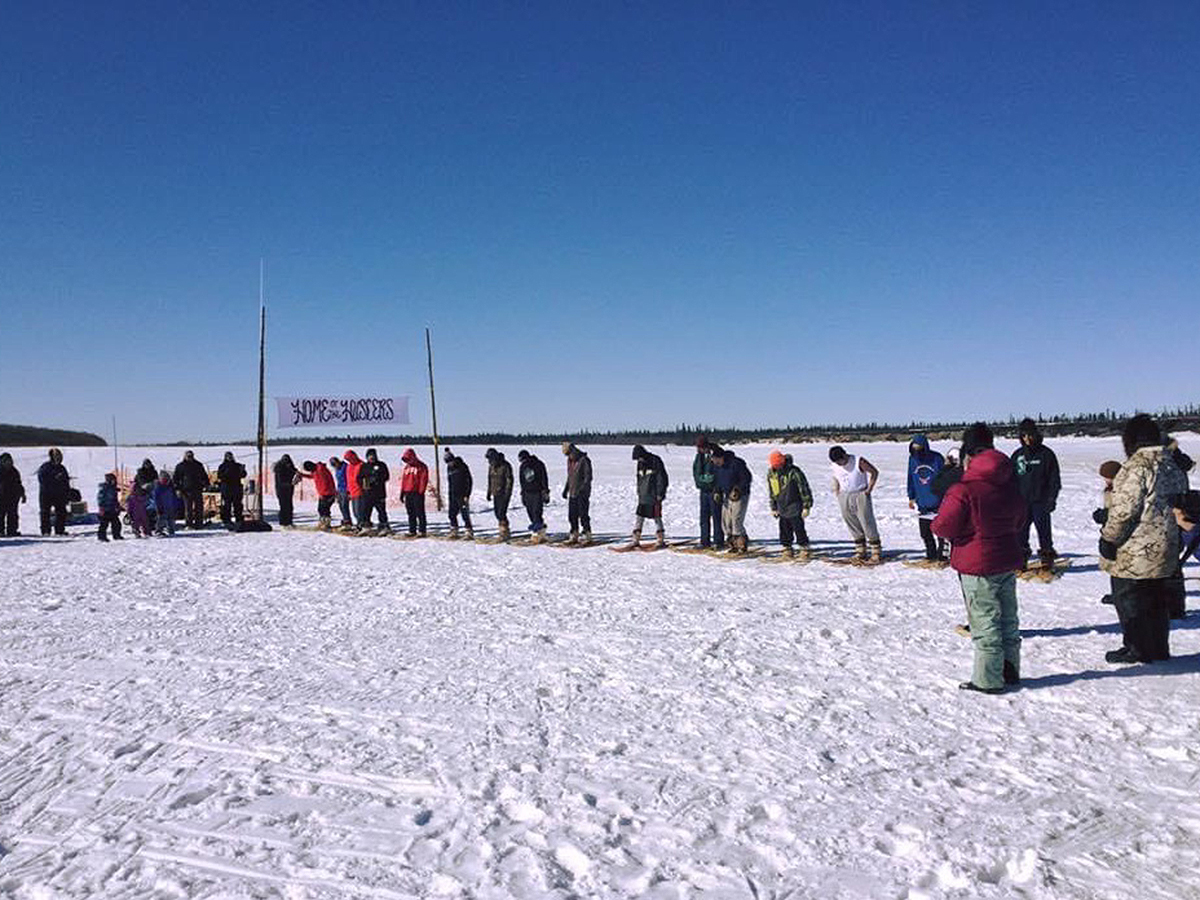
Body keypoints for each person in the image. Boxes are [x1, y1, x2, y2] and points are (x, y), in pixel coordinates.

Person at [931, 423, 1027, 694]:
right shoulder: (1009, 487)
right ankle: (1010, 671)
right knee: (1008, 620)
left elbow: (943, 526)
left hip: (977, 566)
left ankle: (988, 680)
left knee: (985, 623)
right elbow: (1020, 519)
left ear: (968, 459)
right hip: (1006, 561)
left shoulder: (964, 490)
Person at [1099, 414, 1188, 664]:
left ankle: (1137, 648)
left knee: (1129, 597)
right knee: (1157, 600)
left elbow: (1125, 510)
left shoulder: (1137, 466)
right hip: (1168, 546)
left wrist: (1109, 539)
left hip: (1137, 551)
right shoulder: (1172, 463)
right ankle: (1158, 648)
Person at [1011, 418, 1062, 570]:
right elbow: (1010, 479)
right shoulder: (1017, 455)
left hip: (1041, 501)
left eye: (1030, 435)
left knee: (1044, 533)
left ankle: (1046, 557)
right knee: (1020, 533)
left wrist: (1052, 498)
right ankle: (1021, 558)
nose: (1027, 439)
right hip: (1022, 503)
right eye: (1024, 435)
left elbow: (1054, 479)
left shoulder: (1046, 454)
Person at [828, 445, 881, 562]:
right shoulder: (835, 465)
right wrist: (836, 490)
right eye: (837, 462)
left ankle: (875, 550)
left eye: (840, 461)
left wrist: (869, 489)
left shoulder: (858, 461)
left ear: (844, 455)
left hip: (860, 493)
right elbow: (836, 477)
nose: (839, 464)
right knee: (851, 521)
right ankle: (860, 549)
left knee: (866, 521)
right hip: (844, 494)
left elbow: (874, 472)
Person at [767, 450, 813, 558]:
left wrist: (806, 506)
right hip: (781, 505)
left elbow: (804, 488)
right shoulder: (772, 473)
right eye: (774, 465)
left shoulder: (794, 472)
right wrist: (773, 507)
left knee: (798, 527)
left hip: (795, 504)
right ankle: (787, 547)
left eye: (778, 465)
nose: (776, 467)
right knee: (784, 528)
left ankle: (804, 547)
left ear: (782, 463)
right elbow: (772, 491)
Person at [710, 446, 752, 554]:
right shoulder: (717, 467)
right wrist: (717, 492)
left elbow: (747, 478)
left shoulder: (736, 463)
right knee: (726, 522)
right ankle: (733, 544)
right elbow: (717, 481)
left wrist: (738, 489)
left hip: (740, 495)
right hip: (727, 496)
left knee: (736, 520)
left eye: (715, 460)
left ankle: (741, 544)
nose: (714, 462)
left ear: (721, 457)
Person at [1093, 460, 1122, 607]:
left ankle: (1119, 595)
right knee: (1113, 566)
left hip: (1116, 533)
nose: (1104, 480)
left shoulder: (1120, 489)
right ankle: (1118, 593)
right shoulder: (1111, 488)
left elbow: (1120, 511)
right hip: (1110, 529)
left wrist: (1104, 515)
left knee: (1117, 566)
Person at [629, 445, 669, 548]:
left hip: (654, 495)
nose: (639, 460)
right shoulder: (640, 463)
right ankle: (635, 539)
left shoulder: (655, 461)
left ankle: (660, 539)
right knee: (639, 517)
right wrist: (639, 491)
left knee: (657, 517)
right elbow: (639, 478)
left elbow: (662, 478)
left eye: (639, 458)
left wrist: (660, 493)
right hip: (643, 495)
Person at [693, 437, 724, 549]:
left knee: (716, 517)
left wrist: (712, 482)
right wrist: (702, 480)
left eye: (701, 447)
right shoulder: (699, 457)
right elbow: (696, 473)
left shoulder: (717, 454)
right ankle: (704, 540)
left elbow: (719, 473)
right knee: (704, 517)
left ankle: (718, 541)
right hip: (703, 491)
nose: (699, 450)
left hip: (715, 491)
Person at [562, 443, 593, 543]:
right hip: (572, 492)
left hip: (582, 493)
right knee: (572, 515)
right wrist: (566, 489)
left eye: (569, 453)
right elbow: (570, 476)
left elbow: (588, 477)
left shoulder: (584, 460)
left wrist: (583, 489)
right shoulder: (570, 461)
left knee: (583, 514)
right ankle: (574, 533)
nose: (568, 456)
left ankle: (587, 533)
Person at [37, 448, 71, 536]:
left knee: (61, 512)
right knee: (45, 513)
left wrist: (67, 493)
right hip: (46, 494)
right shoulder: (45, 467)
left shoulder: (62, 468)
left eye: (60, 456)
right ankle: (45, 531)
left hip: (59, 494)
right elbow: (42, 479)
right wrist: (55, 479)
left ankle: (60, 530)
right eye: (56, 456)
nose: (59, 458)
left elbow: (66, 482)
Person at [172, 450, 210, 529]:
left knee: (199, 507)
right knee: (188, 508)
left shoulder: (198, 465)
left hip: (197, 489)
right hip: (186, 490)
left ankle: (199, 523)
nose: (190, 457)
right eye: (188, 456)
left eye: (191, 456)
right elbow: (175, 478)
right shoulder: (180, 466)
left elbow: (204, 476)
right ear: (185, 456)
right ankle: (189, 524)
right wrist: (177, 488)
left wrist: (206, 484)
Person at [518, 450, 549, 542]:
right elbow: (522, 481)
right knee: (530, 512)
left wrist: (545, 491)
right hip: (527, 492)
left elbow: (544, 478)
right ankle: (539, 529)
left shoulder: (538, 464)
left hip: (537, 492)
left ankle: (538, 533)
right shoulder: (522, 466)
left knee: (536, 512)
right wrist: (522, 493)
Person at [359, 448, 391, 534]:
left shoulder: (381, 465)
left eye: (373, 456)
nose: (371, 458)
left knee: (381, 511)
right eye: (369, 456)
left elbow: (386, 476)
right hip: (367, 494)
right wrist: (364, 482)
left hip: (379, 493)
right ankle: (366, 526)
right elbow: (359, 478)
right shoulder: (364, 466)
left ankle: (384, 525)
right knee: (366, 511)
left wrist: (377, 478)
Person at [443, 449, 475, 539]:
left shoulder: (462, 466)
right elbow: (450, 481)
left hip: (462, 494)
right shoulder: (449, 468)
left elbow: (469, 481)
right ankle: (454, 530)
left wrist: (467, 494)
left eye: (450, 462)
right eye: (447, 462)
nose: (449, 464)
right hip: (452, 494)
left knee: (464, 514)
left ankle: (469, 531)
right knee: (451, 514)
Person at [485, 448, 514, 541]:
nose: (489, 461)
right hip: (495, 493)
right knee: (497, 513)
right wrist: (489, 492)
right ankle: (504, 528)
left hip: (504, 493)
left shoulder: (505, 466)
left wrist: (507, 493)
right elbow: (490, 480)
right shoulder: (491, 467)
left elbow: (509, 480)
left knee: (501, 512)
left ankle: (504, 531)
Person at [300, 460, 338, 530]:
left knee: (325, 509)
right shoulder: (316, 470)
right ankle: (323, 522)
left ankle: (326, 523)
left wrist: (323, 494)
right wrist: (302, 475)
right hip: (323, 493)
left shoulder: (320, 470)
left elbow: (325, 483)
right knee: (321, 509)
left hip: (327, 493)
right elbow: (312, 476)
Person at [399, 448, 428, 536]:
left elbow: (424, 479)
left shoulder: (421, 466)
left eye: (408, 459)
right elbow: (404, 480)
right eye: (406, 460)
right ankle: (412, 530)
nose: (407, 461)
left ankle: (422, 530)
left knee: (420, 512)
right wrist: (402, 492)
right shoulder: (406, 467)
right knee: (410, 513)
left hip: (417, 493)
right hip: (408, 492)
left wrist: (421, 491)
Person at [217, 451, 247, 529]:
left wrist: (242, 470)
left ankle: (238, 519)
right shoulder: (222, 466)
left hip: (236, 487)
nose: (229, 458)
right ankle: (227, 520)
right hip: (227, 488)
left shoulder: (237, 465)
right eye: (228, 457)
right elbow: (219, 476)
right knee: (227, 505)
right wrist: (226, 474)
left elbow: (243, 475)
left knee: (238, 505)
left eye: (230, 456)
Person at [0, 452, 26, 536]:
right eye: (6, 461)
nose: (8, 463)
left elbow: (18, 483)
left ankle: (12, 530)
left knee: (13, 515)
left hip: (12, 497)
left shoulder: (14, 472)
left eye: (9, 461)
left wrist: (22, 494)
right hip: (1, 497)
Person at [273, 454, 299, 528]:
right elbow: (281, 481)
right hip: (281, 490)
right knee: (284, 506)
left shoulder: (290, 467)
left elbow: (295, 472)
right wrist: (290, 483)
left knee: (289, 506)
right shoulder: (279, 469)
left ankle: (289, 522)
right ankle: (283, 523)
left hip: (289, 489)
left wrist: (297, 475)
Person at [96, 472, 123, 542]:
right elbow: (100, 498)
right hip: (105, 509)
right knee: (104, 524)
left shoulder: (113, 489)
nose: (114, 481)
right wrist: (101, 507)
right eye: (113, 480)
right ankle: (101, 536)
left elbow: (115, 499)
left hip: (112, 509)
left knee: (116, 523)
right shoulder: (104, 488)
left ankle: (116, 535)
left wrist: (118, 506)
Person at [152, 470, 179, 536]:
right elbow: (156, 499)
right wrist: (158, 507)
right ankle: (159, 530)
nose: (166, 481)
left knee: (171, 519)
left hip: (170, 506)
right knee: (161, 519)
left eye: (167, 479)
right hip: (161, 507)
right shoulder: (158, 488)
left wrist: (176, 506)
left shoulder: (170, 487)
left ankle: (171, 530)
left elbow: (174, 497)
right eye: (164, 479)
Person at [343, 450, 365, 528]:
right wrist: (348, 491)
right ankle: (359, 523)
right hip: (352, 491)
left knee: (359, 510)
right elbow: (349, 480)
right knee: (355, 511)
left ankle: (362, 524)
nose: (349, 461)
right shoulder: (349, 467)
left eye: (350, 459)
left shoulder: (361, 465)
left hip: (360, 491)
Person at [329, 456, 353, 528]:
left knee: (344, 505)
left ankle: (348, 520)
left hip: (346, 489)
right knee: (341, 505)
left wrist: (349, 490)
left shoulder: (345, 467)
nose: (335, 466)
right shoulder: (337, 469)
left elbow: (349, 478)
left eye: (335, 464)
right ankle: (345, 519)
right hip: (340, 489)